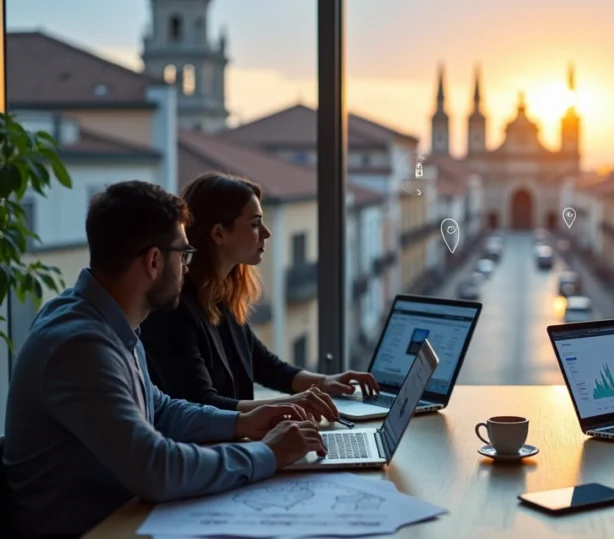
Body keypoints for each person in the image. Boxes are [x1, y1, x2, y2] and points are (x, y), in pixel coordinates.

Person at [2, 181, 327, 537]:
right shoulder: (79, 346)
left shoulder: (111, 323)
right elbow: (156, 468)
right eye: (184, 255)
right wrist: (267, 454)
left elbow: (160, 409)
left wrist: (241, 423)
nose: (188, 267)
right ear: (154, 261)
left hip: (124, 518)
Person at [140, 172, 379, 423]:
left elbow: (264, 363)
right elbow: (201, 403)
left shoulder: (222, 295)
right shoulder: (173, 310)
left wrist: (326, 382)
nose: (266, 233)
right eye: (255, 224)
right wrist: (293, 403)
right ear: (219, 234)